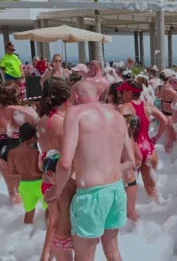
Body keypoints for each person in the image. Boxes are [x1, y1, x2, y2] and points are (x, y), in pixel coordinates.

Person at [55, 81, 135, 261]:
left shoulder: (75, 113)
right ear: (98, 96)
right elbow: (131, 161)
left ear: (75, 96)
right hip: (116, 190)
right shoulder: (117, 116)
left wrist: (57, 190)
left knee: (84, 257)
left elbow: (65, 163)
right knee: (113, 252)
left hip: (90, 196)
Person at [118, 78, 168, 202]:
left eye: (123, 91)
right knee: (152, 188)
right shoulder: (148, 105)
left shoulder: (123, 108)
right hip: (149, 149)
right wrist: (156, 137)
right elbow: (165, 121)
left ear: (129, 92)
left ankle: (132, 217)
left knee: (128, 188)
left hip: (132, 149)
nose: (121, 94)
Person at [0, 82, 39, 204]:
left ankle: (13, 213)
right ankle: (26, 220)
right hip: (21, 146)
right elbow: (37, 128)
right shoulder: (26, 111)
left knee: (13, 191)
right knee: (27, 188)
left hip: (2, 146)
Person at [41, 150, 76, 261]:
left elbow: (53, 223)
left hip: (62, 238)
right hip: (78, 235)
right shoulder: (77, 184)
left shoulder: (52, 193)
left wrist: (45, 252)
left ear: (49, 173)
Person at [37, 81, 71, 196]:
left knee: (51, 213)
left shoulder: (42, 120)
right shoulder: (63, 122)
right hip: (62, 179)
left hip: (46, 177)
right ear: (68, 100)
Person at [8, 122, 46, 224]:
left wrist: (23, 172)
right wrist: (44, 174)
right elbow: (34, 172)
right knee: (50, 208)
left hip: (24, 186)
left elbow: (11, 172)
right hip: (38, 185)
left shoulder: (12, 152)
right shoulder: (34, 152)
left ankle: (25, 234)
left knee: (29, 211)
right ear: (33, 137)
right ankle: (47, 233)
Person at [123, 114, 143, 222]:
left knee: (116, 213)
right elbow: (139, 159)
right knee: (131, 212)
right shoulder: (133, 142)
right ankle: (139, 232)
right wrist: (133, 165)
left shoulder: (120, 141)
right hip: (131, 181)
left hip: (118, 181)